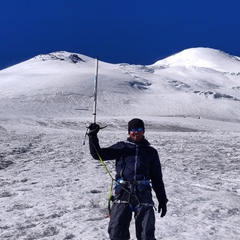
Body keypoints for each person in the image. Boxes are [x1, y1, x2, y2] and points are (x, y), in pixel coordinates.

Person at [88, 118, 168, 240]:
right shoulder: (121, 147)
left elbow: (157, 178)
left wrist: (162, 200)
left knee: (146, 235)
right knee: (116, 232)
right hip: (123, 192)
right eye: (133, 130)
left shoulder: (151, 152)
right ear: (129, 132)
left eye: (139, 130)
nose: (136, 132)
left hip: (143, 193)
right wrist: (93, 136)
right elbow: (98, 154)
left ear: (144, 131)